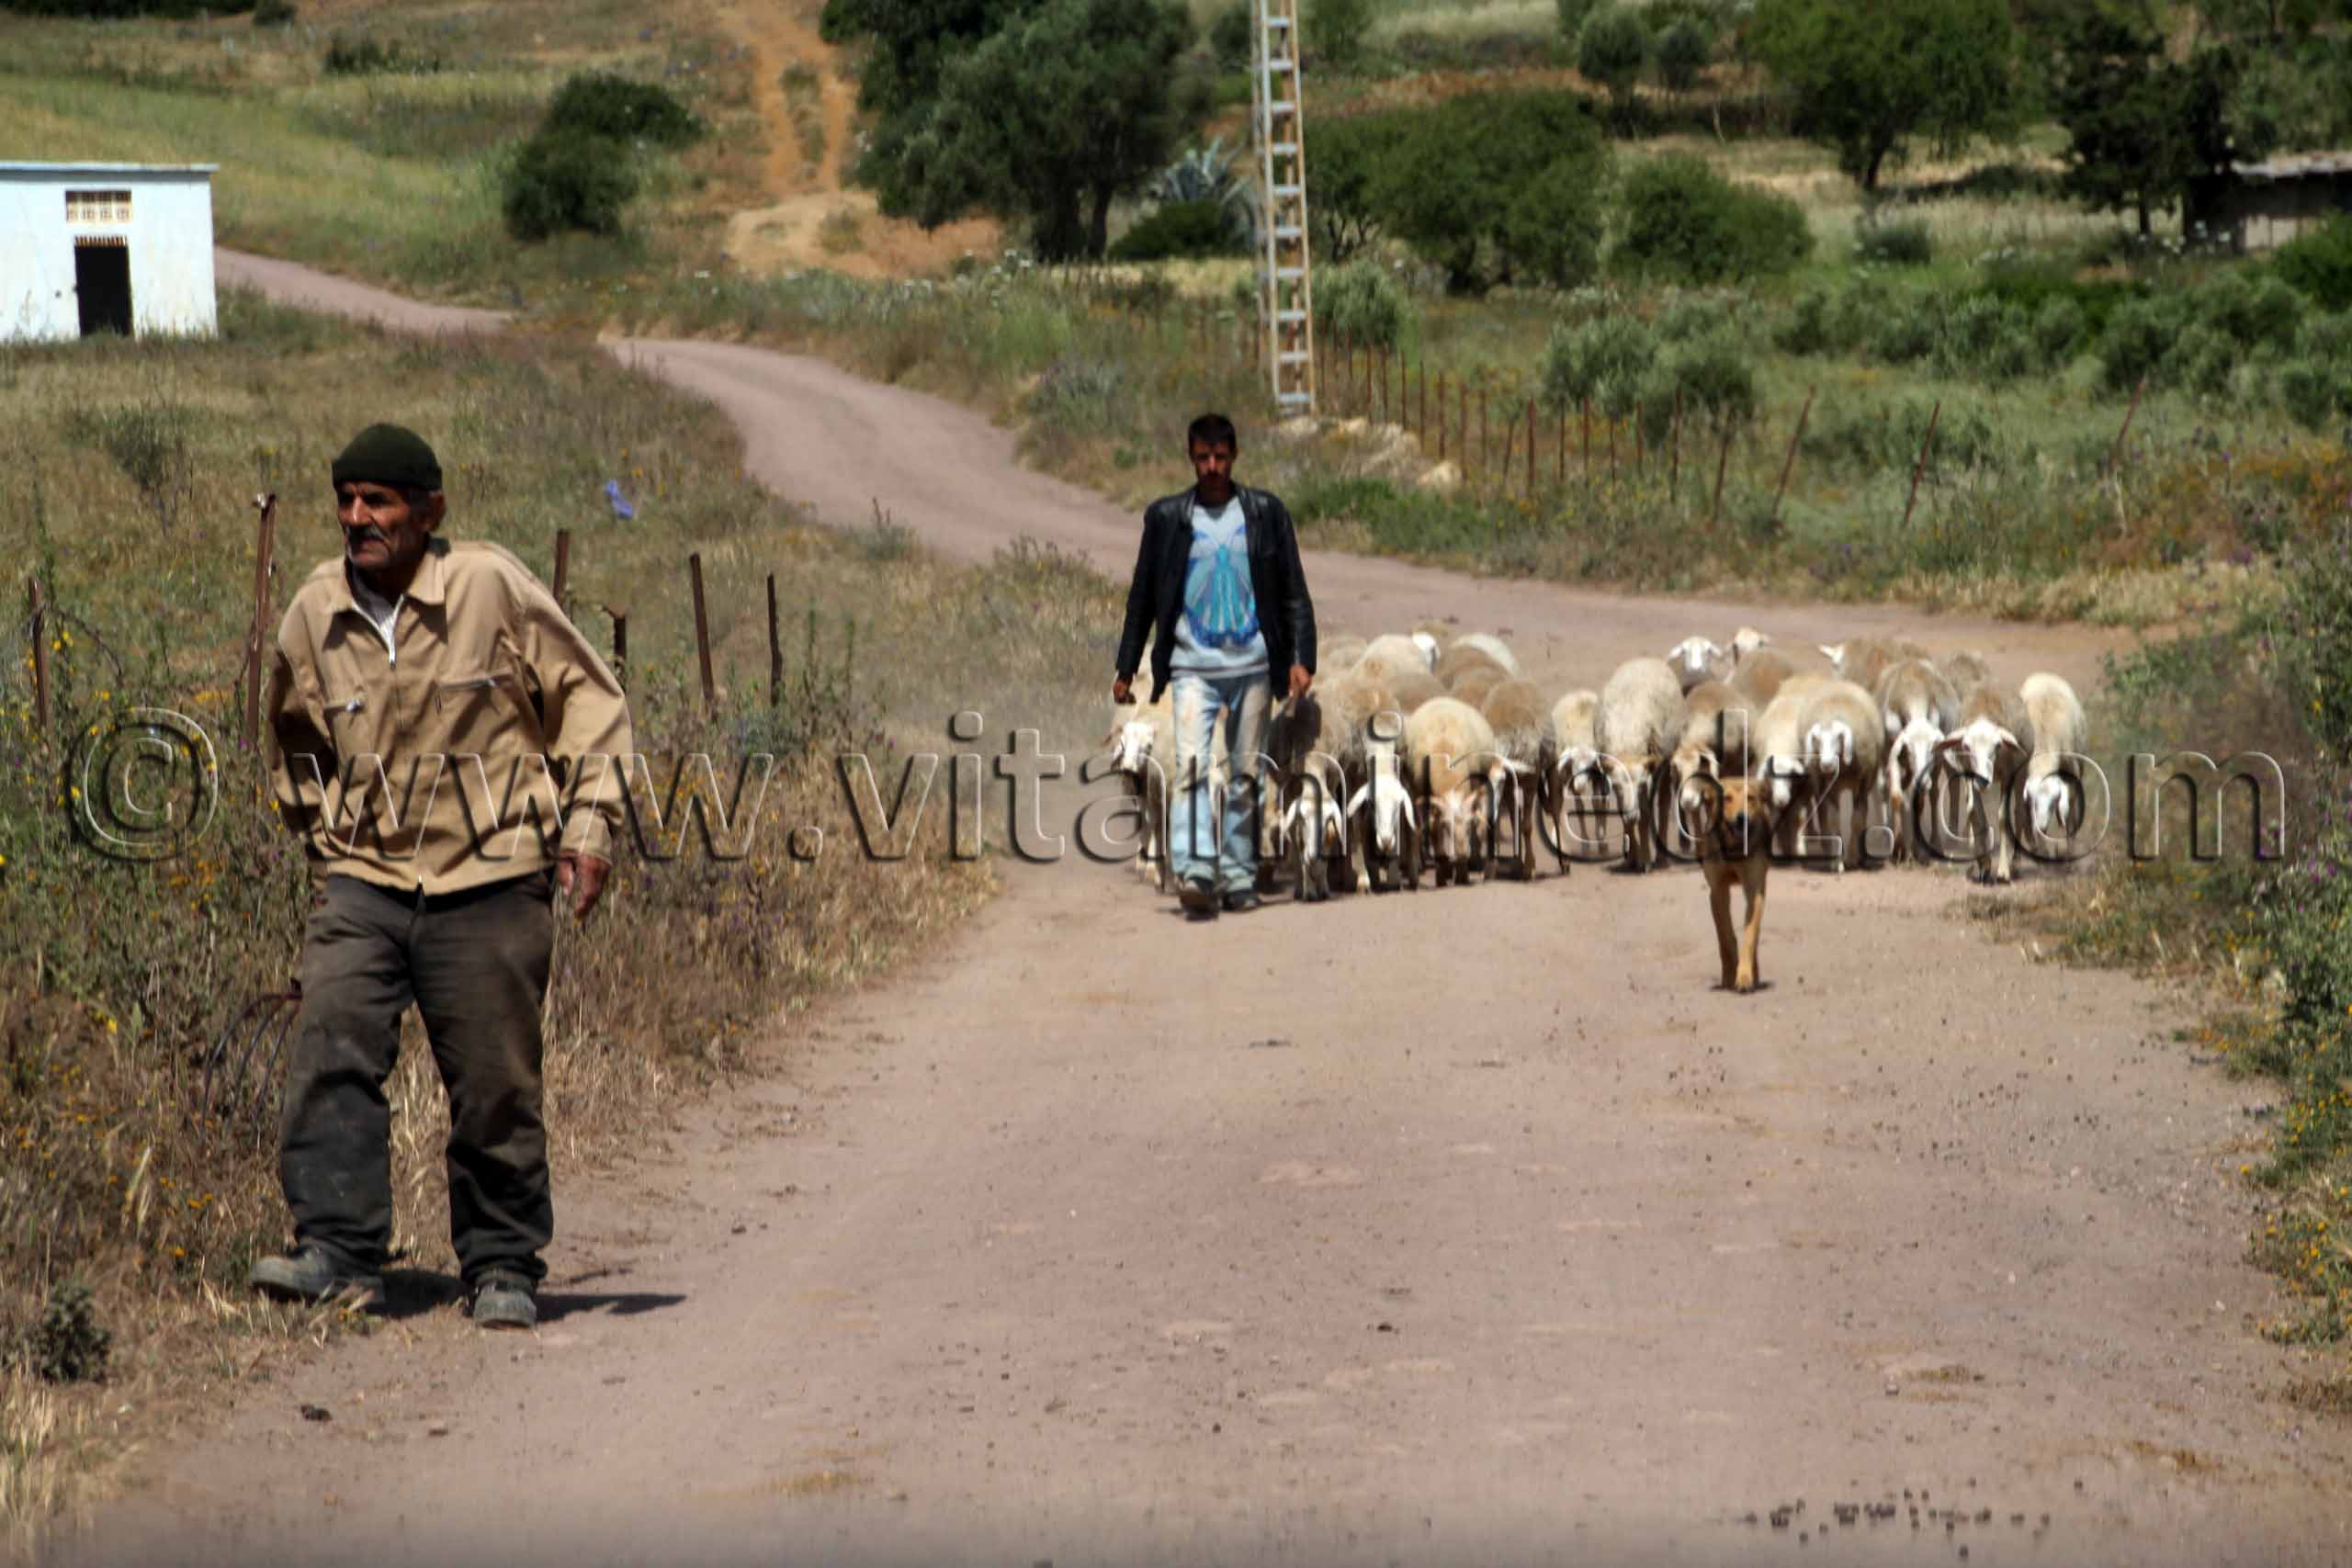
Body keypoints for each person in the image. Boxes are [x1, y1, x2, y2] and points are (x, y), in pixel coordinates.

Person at [249, 423, 633, 1330]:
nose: (357, 518)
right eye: (346, 500)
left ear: (430, 512)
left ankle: (501, 1264)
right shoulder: (313, 610)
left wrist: (588, 826)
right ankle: (338, 1253)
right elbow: (292, 736)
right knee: (331, 1051)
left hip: (492, 873)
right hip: (366, 878)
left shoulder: (489, 586)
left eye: (378, 501)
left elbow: (589, 698)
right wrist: (324, 838)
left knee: (495, 1085)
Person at [1113, 412, 1316, 919]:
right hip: (1192, 668)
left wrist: (1300, 657)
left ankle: (1241, 874)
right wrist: (1126, 664)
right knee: (1191, 769)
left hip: (1252, 665)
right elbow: (1142, 598)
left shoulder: (1266, 513)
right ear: (1190, 457)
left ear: (1234, 456)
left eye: (1220, 457)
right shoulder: (1167, 519)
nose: (1211, 467)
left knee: (1246, 773)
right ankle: (1196, 871)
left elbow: (1294, 590)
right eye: (1202, 458)